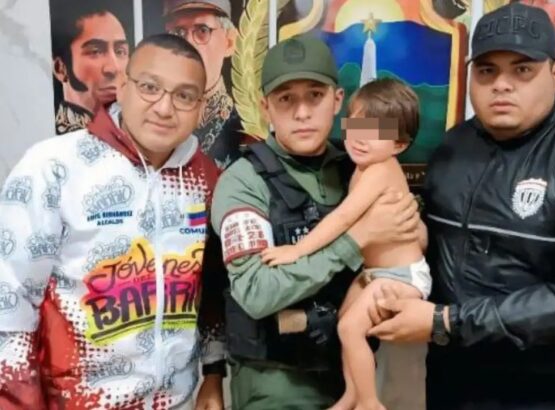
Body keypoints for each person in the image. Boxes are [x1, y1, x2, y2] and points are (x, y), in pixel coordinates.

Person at [367, 3, 555, 409]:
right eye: (486, 71)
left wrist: (445, 322)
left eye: (522, 70)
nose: (501, 85)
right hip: (458, 384)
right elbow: (426, 254)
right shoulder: (452, 147)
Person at [0, 34, 226, 409]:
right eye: (150, 87)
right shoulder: (53, 167)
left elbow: (213, 287)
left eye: (184, 96)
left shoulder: (206, 177)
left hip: (177, 401)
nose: (164, 108)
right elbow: (10, 304)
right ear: (123, 86)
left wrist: (214, 372)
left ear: (200, 107)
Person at [210, 34, 421, 409]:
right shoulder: (243, 181)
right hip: (278, 384)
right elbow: (257, 293)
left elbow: (408, 233)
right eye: (286, 99)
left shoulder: (358, 165)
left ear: (337, 101)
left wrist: (410, 231)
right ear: (265, 107)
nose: (303, 112)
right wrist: (355, 240)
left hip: (352, 371)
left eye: (315, 95)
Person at [261, 78, 432, 410]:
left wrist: (297, 250)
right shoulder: (361, 166)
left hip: (402, 276)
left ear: (398, 145)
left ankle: (369, 402)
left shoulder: (379, 170)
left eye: (376, 133)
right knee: (344, 321)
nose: (360, 139)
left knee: (351, 328)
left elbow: (342, 219)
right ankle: (352, 393)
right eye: (356, 126)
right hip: (374, 272)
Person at [164, 0, 247, 170]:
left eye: (202, 31)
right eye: (179, 32)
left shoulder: (247, 133)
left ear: (230, 42)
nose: (188, 45)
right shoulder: (154, 122)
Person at [50, 0, 130, 134]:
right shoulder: (57, 142)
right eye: (95, 52)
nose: (114, 68)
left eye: (120, 51)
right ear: (60, 68)